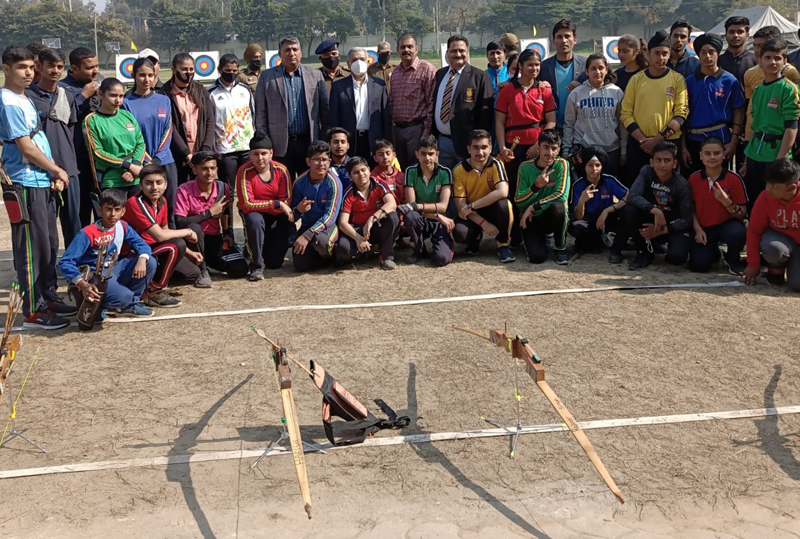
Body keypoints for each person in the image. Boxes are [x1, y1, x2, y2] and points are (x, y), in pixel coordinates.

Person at [1, 46, 74, 329]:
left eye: (31, 67)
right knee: (31, 250)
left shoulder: (22, 98)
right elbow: (26, 147)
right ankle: (33, 310)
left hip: (41, 180)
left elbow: (39, 139)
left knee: (48, 245)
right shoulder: (8, 101)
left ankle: (47, 297)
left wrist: (53, 171)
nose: (29, 72)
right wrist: (56, 169)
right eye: (21, 67)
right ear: (6, 69)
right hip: (25, 183)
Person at [59, 187, 157, 320]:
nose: (112, 214)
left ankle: (130, 305)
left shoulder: (122, 226)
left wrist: (142, 259)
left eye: (117, 209)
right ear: (99, 209)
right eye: (108, 209)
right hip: (95, 276)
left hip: (114, 269)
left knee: (150, 261)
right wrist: (82, 284)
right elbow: (65, 262)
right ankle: (97, 304)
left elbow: (142, 245)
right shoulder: (87, 233)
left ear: (123, 211)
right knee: (124, 297)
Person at [495, 48, 557, 246]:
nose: (534, 68)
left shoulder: (545, 90)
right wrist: (503, 148)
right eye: (530, 65)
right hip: (514, 148)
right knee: (515, 190)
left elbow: (551, 120)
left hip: (538, 147)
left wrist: (538, 145)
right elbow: (499, 122)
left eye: (537, 65)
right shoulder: (507, 90)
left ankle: (541, 232)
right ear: (520, 66)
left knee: (540, 188)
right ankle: (515, 233)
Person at [123, 164, 203, 307]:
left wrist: (189, 252)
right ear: (140, 185)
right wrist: (188, 232)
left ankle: (148, 282)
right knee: (176, 245)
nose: (154, 187)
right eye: (149, 183)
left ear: (166, 184)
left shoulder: (162, 201)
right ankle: (154, 291)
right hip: (134, 253)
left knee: (193, 273)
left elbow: (166, 231)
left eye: (159, 182)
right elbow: (160, 236)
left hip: (152, 248)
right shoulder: (135, 203)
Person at [25, 48, 82, 247]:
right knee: (44, 224)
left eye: (59, 66)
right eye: (50, 66)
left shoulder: (67, 96)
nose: (55, 71)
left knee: (73, 221)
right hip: (41, 170)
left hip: (69, 168)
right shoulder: (27, 97)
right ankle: (47, 263)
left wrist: (67, 160)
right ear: (39, 66)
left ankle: (73, 261)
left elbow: (71, 130)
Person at [620, 30, 688, 187]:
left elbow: (681, 114)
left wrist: (657, 140)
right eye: (657, 53)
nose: (661, 58)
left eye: (665, 54)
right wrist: (644, 141)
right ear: (647, 54)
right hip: (640, 145)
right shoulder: (636, 80)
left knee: (668, 190)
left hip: (668, 143)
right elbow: (626, 113)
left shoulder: (677, 79)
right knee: (638, 188)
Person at [255, 36, 328, 181]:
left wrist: (323, 138)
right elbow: (260, 112)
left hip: (308, 142)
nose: (291, 53)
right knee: (283, 185)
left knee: (309, 184)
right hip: (280, 144)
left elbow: (325, 109)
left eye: (295, 49)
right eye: (287, 50)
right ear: (279, 53)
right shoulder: (267, 77)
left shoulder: (315, 75)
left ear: (301, 52)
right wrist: (265, 141)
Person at [742, 38, 800, 211]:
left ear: (785, 61)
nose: (772, 62)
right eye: (768, 57)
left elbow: (791, 127)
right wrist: (746, 160)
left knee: (776, 202)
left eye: (777, 58)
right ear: (760, 60)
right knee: (754, 201)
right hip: (755, 154)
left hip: (776, 155)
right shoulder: (758, 89)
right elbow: (755, 126)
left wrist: (780, 161)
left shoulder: (789, 89)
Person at [174, 152, 247, 282]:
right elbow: (179, 222)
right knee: (194, 228)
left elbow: (225, 212)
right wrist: (209, 213)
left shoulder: (223, 187)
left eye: (212, 168)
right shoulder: (183, 190)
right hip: (192, 242)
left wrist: (227, 233)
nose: (209, 173)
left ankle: (207, 262)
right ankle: (202, 270)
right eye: (204, 168)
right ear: (195, 170)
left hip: (214, 239)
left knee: (240, 269)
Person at [619, 141, 692, 270]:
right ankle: (643, 251)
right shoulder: (646, 171)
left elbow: (687, 219)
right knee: (629, 210)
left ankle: (658, 242)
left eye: (667, 160)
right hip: (652, 217)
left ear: (675, 163)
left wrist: (662, 230)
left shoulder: (682, 184)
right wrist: (655, 211)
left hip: (671, 224)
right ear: (652, 162)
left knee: (677, 258)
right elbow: (633, 195)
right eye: (658, 160)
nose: (662, 165)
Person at [123, 58, 178, 226]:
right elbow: (131, 138)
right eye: (142, 75)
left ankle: (171, 240)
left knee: (170, 208)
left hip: (165, 161)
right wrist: (146, 161)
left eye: (150, 75)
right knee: (143, 212)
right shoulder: (126, 103)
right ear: (133, 75)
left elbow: (167, 132)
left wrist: (156, 160)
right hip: (140, 164)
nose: (146, 79)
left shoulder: (164, 100)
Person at [681, 33, 744, 176]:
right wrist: (683, 148)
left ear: (718, 53)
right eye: (703, 53)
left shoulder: (730, 80)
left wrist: (733, 142)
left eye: (711, 52)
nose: (707, 56)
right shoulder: (688, 82)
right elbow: (682, 114)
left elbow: (737, 111)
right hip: (693, 140)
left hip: (720, 139)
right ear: (698, 54)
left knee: (720, 181)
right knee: (694, 182)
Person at [236, 130, 294, 280]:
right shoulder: (244, 171)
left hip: (275, 216)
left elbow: (286, 202)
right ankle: (256, 266)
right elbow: (247, 204)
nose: (260, 158)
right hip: (256, 215)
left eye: (264, 153)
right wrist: (276, 203)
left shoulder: (281, 170)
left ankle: (256, 246)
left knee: (274, 263)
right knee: (254, 220)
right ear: (250, 155)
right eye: (255, 154)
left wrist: (278, 206)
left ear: (271, 153)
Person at [432, 35, 494, 170]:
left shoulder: (480, 77)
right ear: (447, 53)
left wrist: (478, 143)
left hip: (468, 144)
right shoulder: (440, 75)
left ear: (468, 52)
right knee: (447, 179)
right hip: (443, 142)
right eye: (453, 51)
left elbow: (486, 114)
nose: (458, 54)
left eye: (461, 50)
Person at [452, 129, 515, 263]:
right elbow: (460, 205)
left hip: (490, 209)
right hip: (472, 214)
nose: (480, 152)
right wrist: (483, 223)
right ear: (468, 149)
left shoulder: (496, 164)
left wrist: (472, 205)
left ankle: (503, 244)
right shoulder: (458, 170)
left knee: (505, 205)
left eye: (484, 147)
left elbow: (503, 192)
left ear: (490, 148)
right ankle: (475, 237)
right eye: (475, 147)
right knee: (459, 233)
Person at [688, 137, 747, 275]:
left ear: (724, 154)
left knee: (737, 232)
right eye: (707, 153)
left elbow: (742, 213)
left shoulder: (734, 178)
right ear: (701, 156)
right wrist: (697, 229)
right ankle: (714, 252)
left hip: (727, 225)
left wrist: (726, 201)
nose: (712, 157)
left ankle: (732, 259)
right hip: (704, 227)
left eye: (717, 153)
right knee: (699, 265)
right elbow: (690, 208)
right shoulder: (693, 179)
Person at [563, 53, 626, 180]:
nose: (597, 72)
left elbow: (622, 124)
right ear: (586, 71)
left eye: (601, 68)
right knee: (586, 187)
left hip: (611, 150)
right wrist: (566, 150)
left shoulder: (617, 92)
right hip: (585, 149)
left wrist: (623, 150)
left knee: (608, 187)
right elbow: (569, 124)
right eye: (593, 68)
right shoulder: (576, 94)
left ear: (606, 70)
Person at [83, 78, 147, 199]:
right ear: (101, 94)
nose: (118, 100)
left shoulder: (127, 115)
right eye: (113, 95)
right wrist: (128, 166)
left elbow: (140, 143)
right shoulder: (91, 120)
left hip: (135, 179)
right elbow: (97, 153)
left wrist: (135, 166)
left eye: (121, 96)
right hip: (111, 180)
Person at [515, 128, 571, 265]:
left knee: (559, 207)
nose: (549, 153)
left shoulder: (562, 164)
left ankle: (560, 248)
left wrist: (534, 206)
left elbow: (562, 195)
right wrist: (536, 186)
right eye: (545, 147)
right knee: (537, 258)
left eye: (554, 148)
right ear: (538, 148)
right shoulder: (525, 167)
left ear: (558, 150)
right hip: (530, 218)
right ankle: (540, 241)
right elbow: (518, 200)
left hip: (548, 215)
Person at [397, 135, 454, 266]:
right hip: (425, 218)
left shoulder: (445, 172)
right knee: (410, 217)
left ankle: (446, 245)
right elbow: (411, 208)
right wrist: (437, 215)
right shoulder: (410, 171)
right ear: (417, 154)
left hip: (439, 222)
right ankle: (419, 249)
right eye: (423, 153)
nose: (427, 158)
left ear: (437, 154)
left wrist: (420, 208)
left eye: (431, 154)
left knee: (441, 259)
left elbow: (443, 207)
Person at [160, 53, 216, 184]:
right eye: (184, 69)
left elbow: (209, 120)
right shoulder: (164, 94)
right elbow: (170, 126)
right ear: (174, 70)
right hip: (178, 155)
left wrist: (205, 149)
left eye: (191, 69)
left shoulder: (201, 91)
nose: (188, 73)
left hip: (201, 152)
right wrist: (186, 153)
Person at [60, 47, 101, 226]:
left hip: (99, 158)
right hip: (75, 159)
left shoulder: (99, 83)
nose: (95, 71)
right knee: (79, 212)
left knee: (103, 208)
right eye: (89, 68)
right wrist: (84, 96)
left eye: (96, 66)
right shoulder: (62, 88)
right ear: (75, 68)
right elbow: (62, 118)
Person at [744, 159, 800, 289]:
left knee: (797, 285)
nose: (767, 189)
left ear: (791, 187)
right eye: (767, 183)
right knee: (773, 248)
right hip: (779, 239)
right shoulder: (765, 197)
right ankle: (776, 268)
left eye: (774, 186)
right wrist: (753, 264)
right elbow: (754, 231)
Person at [328, 48, 392, 162]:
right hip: (349, 141)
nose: (358, 63)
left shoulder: (379, 85)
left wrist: (387, 143)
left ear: (368, 62)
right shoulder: (338, 87)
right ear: (348, 63)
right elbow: (333, 117)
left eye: (362, 59)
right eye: (354, 60)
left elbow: (385, 117)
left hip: (374, 140)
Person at [336, 157, 400, 270]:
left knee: (392, 217)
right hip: (357, 230)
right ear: (350, 176)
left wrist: (372, 219)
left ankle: (386, 256)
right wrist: (358, 239)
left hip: (375, 226)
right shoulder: (348, 193)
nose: (361, 174)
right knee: (343, 249)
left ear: (369, 170)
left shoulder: (379, 184)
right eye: (356, 172)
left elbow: (392, 203)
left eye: (363, 170)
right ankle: (363, 252)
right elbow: (343, 222)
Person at [569, 146, 629, 261]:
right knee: (578, 229)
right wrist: (582, 200)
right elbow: (577, 216)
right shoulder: (578, 185)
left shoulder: (609, 180)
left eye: (598, 165)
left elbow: (628, 195)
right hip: (588, 220)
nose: (594, 169)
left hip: (606, 218)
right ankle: (594, 241)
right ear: (584, 165)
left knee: (627, 213)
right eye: (590, 165)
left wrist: (608, 210)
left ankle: (613, 242)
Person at [290, 141, 342, 272]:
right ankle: (317, 258)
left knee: (322, 243)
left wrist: (307, 235)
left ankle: (330, 257)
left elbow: (330, 216)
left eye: (324, 160)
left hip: (329, 226)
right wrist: (298, 210)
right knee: (300, 265)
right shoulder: (299, 182)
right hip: (308, 225)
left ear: (329, 162)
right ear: (308, 162)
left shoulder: (334, 183)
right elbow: (292, 216)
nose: (321, 164)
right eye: (316, 160)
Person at [208, 53, 255, 197]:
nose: (231, 74)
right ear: (219, 70)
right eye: (227, 70)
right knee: (228, 192)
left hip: (247, 147)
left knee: (248, 189)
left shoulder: (245, 90)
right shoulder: (210, 93)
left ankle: (247, 212)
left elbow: (253, 115)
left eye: (235, 71)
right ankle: (227, 213)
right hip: (225, 149)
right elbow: (209, 122)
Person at [389, 34, 437, 170]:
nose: (406, 50)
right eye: (403, 47)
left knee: (419, 169)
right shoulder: (395, 73)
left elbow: (431, 102)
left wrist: (426, 132)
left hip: (417, 128)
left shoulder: (426, 69)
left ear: (416, 49)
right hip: (398, 130)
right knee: (404, 170)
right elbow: (392, 102)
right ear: (397, 50)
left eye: (410, 47)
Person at [539, 19, 588, 132]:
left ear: (575, 40)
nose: (564, 40)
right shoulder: (543, 67)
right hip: (552, 128)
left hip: (581, 128)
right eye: (559, 37)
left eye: (567, 36)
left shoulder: (587, 65)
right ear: (553, 41)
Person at [718, 16, 757, 87]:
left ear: (747, 35)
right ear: (725, 35)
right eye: (731, 32)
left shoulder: (756, 61)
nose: (735, 35)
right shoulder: (717, 62)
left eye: (740, 32)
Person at [371, 139, 405, 205]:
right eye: (380, 155)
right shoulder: (372, 177)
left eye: (388, 153)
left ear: (394, 155)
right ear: (375, 158)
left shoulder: (402, 176)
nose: (385, 157)